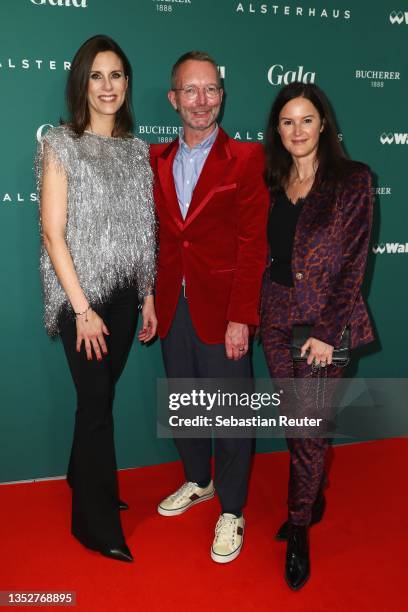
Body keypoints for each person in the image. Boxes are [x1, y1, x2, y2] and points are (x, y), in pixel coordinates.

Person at [35, 35, 156, 562]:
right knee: (95, 407)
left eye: (117, 75)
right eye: (97, 76)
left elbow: (144, 231)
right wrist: (81, 310)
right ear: (81, 83)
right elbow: (52, 234)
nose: (108, 87)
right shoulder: (60, 145)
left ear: (127, 84)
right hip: (78, 298)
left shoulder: (136, 150)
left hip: (128, 295)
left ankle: (79, 476)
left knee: (99, 399)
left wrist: (148, 294)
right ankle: (95, 524)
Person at [150, 51, 269, 563]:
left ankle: (233, 510)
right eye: (190, 91)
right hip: (172, 307)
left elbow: (253, 244)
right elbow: (154, 240)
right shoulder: (155, 159)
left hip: (223, 312)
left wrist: (241, 315)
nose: (202, 101)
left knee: (232, 416)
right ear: (174, 99)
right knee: (186, 405)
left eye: (211, 90)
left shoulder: (245, 158)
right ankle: (199, 481)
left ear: (222, 95)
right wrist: (149, 302)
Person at [261, 82, 374, 589]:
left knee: (307, 430)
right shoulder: (271, 179)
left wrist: (328, 332)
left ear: (323, 124)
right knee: (297, 424)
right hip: (277, 319)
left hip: (325, 327)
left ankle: (301, 526)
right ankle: (314, 490)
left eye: (307, 119)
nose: (297, 130)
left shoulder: (352, 181)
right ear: (277, 130)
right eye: (287, 121)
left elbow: (353, 265)